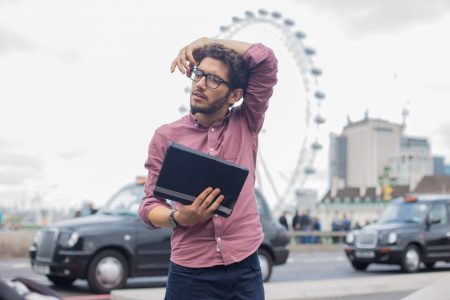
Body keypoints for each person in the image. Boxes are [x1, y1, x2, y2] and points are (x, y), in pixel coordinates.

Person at [138, 37, 277, 300]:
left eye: (213, 79)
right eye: (198, 74)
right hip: (190, 274)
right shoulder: (166, 136)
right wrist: (180, 218)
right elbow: (148, 206)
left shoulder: (247, 122)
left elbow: (266, 60)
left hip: (245, 267)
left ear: (235, 95)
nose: (200, 84)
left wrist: (206, 42)